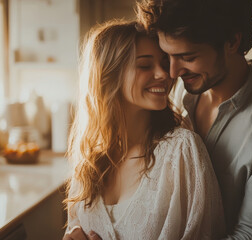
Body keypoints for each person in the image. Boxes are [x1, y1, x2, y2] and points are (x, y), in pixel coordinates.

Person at [137, 0, 252, 239]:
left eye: (187, 57)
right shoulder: (173, 95)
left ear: (232, 42)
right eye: (168, 56)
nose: (173, 72)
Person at [62, 19, 225, 240]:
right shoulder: (88, 163)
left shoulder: (181, 150)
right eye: (145, 65)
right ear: (110, 75)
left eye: (164, 63)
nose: (164, 74)